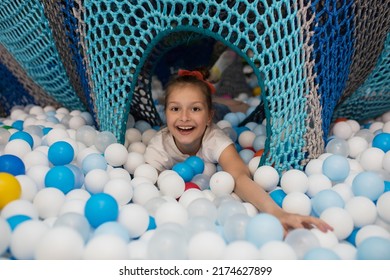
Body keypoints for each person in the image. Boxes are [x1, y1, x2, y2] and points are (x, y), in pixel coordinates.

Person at [144, 69, 333, 234]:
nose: (184, 117)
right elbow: (150, 186)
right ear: (165, 113)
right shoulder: (158, 148)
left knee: (230, 106)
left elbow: (240, 177)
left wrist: (277, 212)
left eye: (195, 108)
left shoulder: (215, 139)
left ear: (209, 117)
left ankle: (229, 103)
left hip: (219, 109)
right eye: (175, 108)